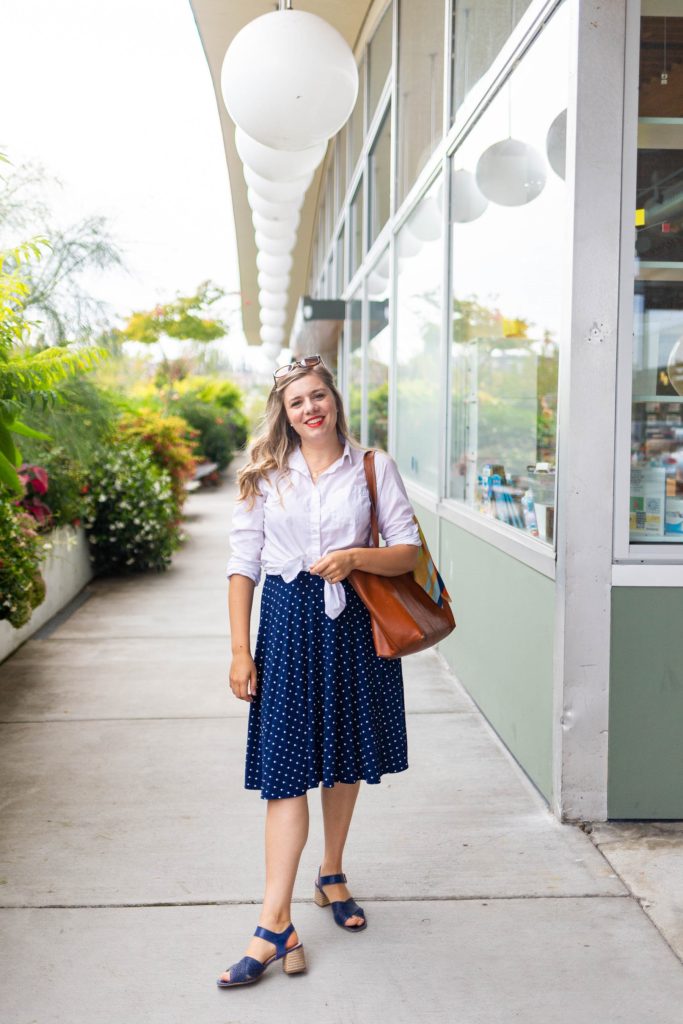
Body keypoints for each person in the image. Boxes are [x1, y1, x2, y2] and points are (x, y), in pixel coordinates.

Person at [218, 354, 420, 988]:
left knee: (343, 759)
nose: (310, 408)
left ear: (334, 399)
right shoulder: (263, 475)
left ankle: (330, 874)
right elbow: (242, 562)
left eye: (318, 396)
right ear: (283, 412)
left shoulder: (372, 466)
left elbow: (408, 550)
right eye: (296, 400)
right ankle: (274, 920)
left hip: (352, 622)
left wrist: (356, 555)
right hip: (285, 627)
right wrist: (239, 649)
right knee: (285, 775)